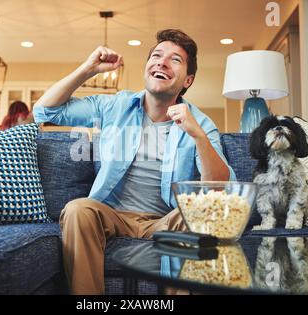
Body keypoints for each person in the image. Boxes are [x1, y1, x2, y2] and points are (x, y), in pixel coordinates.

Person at [33, 29, 236, 294]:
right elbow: (45, 111)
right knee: (78, 209)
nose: (162, 62)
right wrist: (88, 69)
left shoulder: (199, 123)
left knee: (200, 212)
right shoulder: (114, 106)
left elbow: (220, 188)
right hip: (113, 216)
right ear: (148, 67)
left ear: (188, 80)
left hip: (165, 220)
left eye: (175, 59)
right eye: (157, 55)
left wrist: (197, 135)